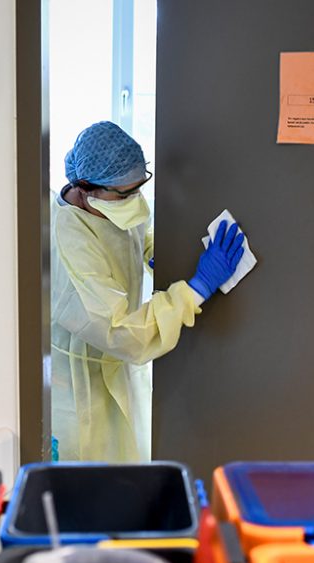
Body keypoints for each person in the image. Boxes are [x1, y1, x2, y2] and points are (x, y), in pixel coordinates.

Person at [51, 121, 246, 462]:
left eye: (139, 187)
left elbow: (132, 233)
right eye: (124, 194)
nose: (134, 200)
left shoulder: (106, 202)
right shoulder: (69, 244)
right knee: (90, 485)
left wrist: (157, 253)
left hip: (115, 371)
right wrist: (196, 289)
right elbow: (121, 331)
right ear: (85, 188)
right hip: (83, 390)